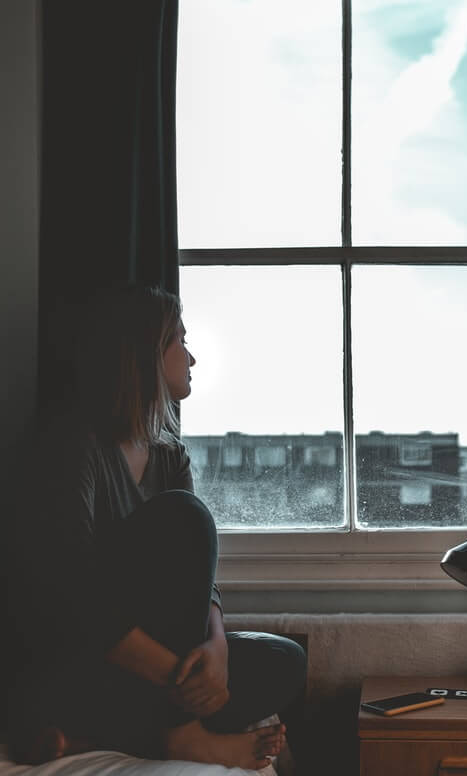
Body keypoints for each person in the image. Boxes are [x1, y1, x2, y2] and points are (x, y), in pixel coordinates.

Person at [5, 282, 306, 771]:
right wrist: (182, 682)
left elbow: (200, 581)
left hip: (145, 680)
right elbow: (71, 597)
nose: (192, 357)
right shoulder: (76, 445)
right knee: (187, 516)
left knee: (286, 661)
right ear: (146, 353)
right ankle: (180, 736)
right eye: (180, 341)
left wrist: (217, 650)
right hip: (89, 660)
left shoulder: (170, 455)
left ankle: (91, 735)